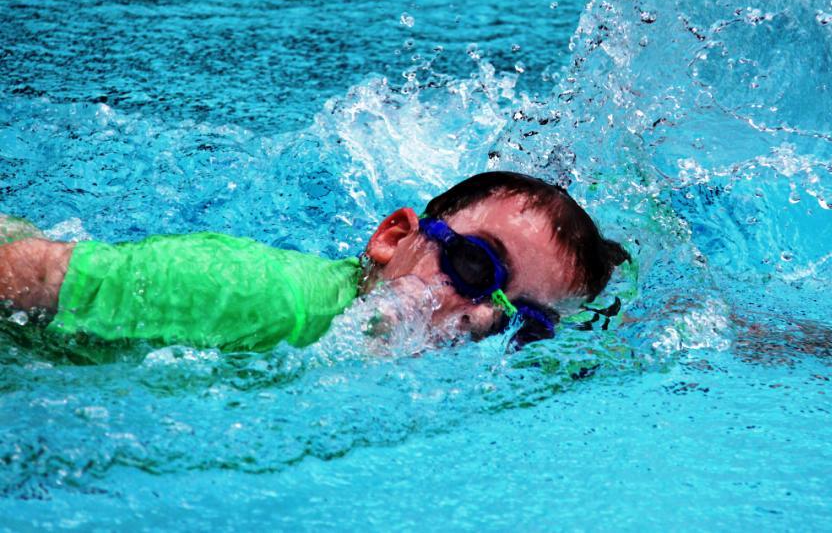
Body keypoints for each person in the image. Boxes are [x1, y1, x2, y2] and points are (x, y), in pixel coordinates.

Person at [0, 171, 628, 352]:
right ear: (393, 239)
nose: (480, 317)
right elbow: (24, 272)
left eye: (520, 322)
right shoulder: (258, 295)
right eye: (474, 266)